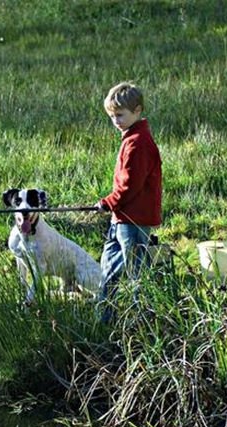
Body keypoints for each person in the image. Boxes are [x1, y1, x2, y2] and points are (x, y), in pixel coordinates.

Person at [93, 82, 162, 322]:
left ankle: (143, 323)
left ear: (138, 111)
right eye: (112, 116)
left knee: (137, 277)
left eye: (120, 115)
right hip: (120, 219)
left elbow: (129, 185)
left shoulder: (138, 142)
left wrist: (108, 202)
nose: (116, 121)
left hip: (133, 220)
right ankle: (104, 321)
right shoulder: (131, 138)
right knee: (108, 273)